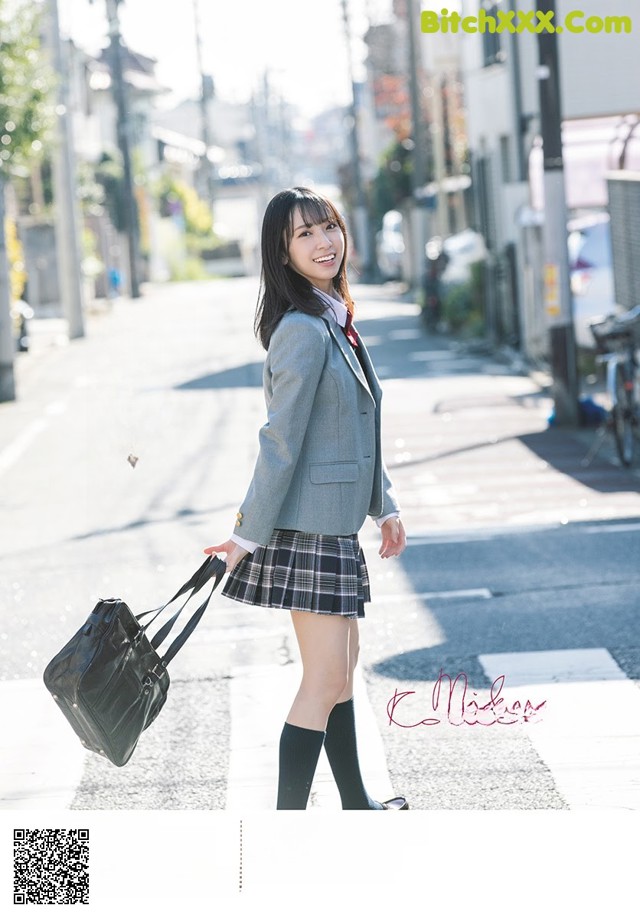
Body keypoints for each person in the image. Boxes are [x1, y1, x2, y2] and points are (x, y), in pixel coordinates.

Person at [205, 186, 408, 810]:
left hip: (334, 528)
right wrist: (243, 537)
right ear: (281, 251)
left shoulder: (331, 317)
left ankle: (354, 803)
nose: (324, 242)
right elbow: (281, 442)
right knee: (323, 682)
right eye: (304, 234)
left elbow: (355, 428)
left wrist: (385, 504)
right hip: (307, 533)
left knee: (339, 679)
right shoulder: (302, 329)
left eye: (329, 227)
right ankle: (284, 829)